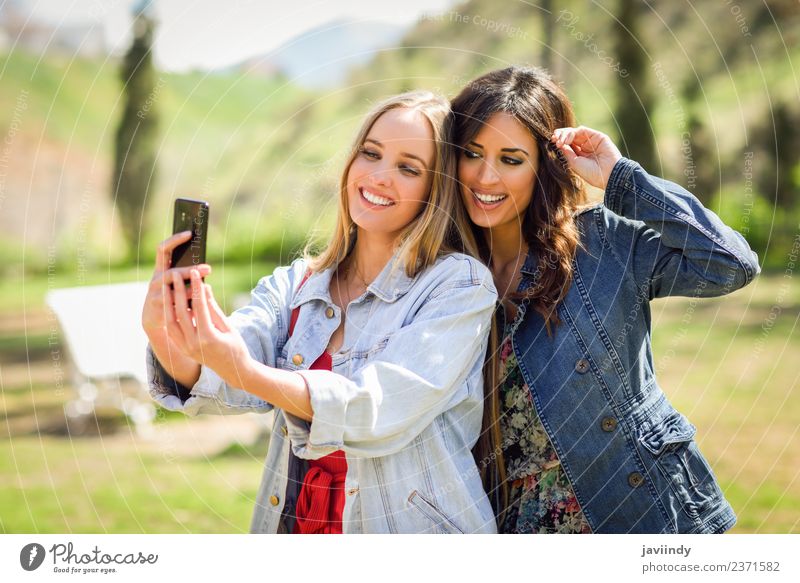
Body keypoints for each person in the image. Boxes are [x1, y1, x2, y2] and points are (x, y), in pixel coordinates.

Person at [141, 91, 498, 534]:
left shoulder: (458, 286)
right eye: (370, 153)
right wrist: (167, 333)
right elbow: (221, 379)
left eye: (408, 168)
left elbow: (374, 410)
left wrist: (243, 369)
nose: (380, 176)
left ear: (436, 190)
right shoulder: (296, 284)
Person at [451, 66, 760, 534]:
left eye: (511, 159)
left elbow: (728, 264)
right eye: (472, 153)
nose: (485, 175)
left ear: (545, 164)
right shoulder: (445, 277)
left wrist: (620, 179)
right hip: (518, 526)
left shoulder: (601, 243)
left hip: (643, 510)